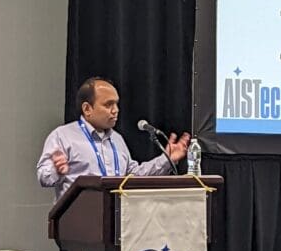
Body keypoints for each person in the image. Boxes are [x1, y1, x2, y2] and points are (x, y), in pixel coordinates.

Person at [36, 77, 190, 200]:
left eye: (116, 104)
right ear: (87, 109)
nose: (116, 110)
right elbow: (44, 177)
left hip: (119, 221)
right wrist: (57, 170)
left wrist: (167, 158)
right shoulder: (63, 136)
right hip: (79, 224)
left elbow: (134, 176)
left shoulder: (117, 139)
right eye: (108, 104)